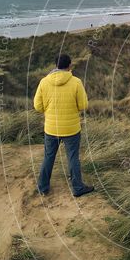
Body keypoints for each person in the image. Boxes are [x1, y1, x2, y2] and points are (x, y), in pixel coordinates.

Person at [33, 54, 94, 197]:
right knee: (73, 158)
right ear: (69, 66)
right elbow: (83, 105)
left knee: (49, 157)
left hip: (51, 128)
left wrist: (48, 110)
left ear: (56, 65)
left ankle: (43, 188)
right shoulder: (76, 82)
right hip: (71, 129)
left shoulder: (44, 82)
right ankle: (78, 188)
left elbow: (37, 106)